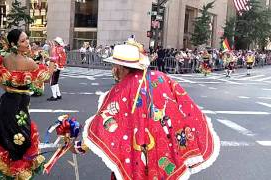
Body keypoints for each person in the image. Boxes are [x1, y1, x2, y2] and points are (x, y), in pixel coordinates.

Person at [81, 39, 220, 180]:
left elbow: (104, 123)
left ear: (121, 67)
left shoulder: (121, 89)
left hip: (135, 152)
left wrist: (81, 145)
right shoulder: (162, 78)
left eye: (115, 66)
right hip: (164, 147)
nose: (114, 70)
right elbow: (186, 107)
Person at [0, 29, 55, 179]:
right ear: (14, 44)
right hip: (19, 107)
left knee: (6, 141)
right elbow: (46, 76)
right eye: (23, 41)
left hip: (5, 103)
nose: (27, 42)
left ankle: (9, 174)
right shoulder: (28, 62)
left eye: (27, 39)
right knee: (21, 143)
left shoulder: (5, 58)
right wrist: (53, 56)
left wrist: (5, 87)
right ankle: (17, 174)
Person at [47, 36, 67, 101]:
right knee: (55, 81)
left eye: (55, 42)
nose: (54, 42)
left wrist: (49, 58)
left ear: (57, 43)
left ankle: (54, 96)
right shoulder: (61, 48)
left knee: (52, 81)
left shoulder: (58, 49)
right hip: (59, 66)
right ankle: (58, 95)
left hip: (55, 66)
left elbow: (56, 58)